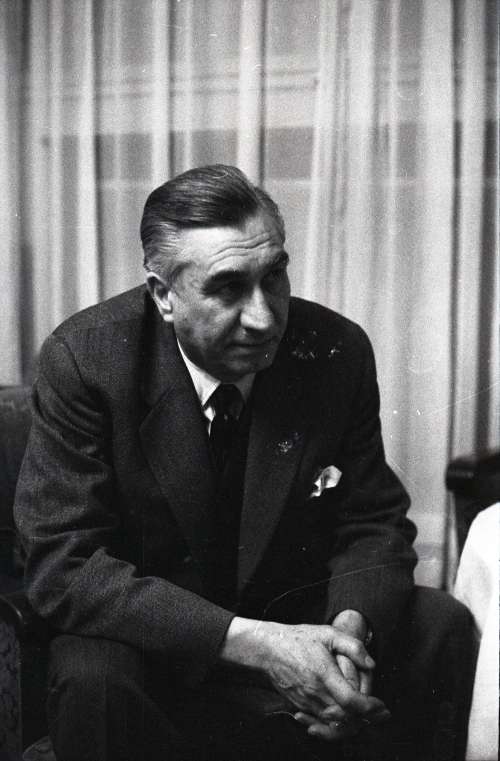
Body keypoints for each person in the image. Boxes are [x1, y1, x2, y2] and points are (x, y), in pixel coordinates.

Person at [15, 165, 475, 761]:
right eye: (228, 288)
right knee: (94, 676)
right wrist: (258, 645)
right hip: (155, 641)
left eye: (274, 276)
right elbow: (64, 565)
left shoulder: (335, 349)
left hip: (294, 617)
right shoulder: (85, 359)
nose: (264, 317)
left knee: (441, 623)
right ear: (163, 296)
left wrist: (347, 638)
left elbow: (372, 520)